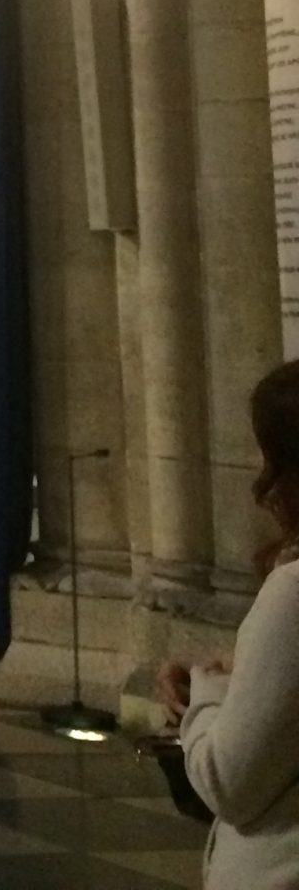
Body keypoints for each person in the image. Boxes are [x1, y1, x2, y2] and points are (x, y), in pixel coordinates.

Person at [164, 360, 299, 889]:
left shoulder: (293, 594)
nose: (253, 464)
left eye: (263, 447)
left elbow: (228, 781)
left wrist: (210, 685)